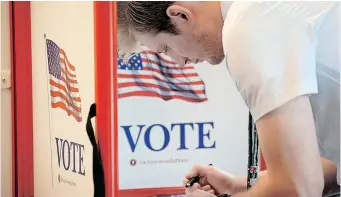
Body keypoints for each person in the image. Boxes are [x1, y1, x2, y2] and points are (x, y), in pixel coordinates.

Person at [117, 1, 340, 197]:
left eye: (165, 48)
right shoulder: (263, 11)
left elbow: (297, 188)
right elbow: (316, 170)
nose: (180, 63)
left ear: (180, 15)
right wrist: (239, 186)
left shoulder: (247, 24)